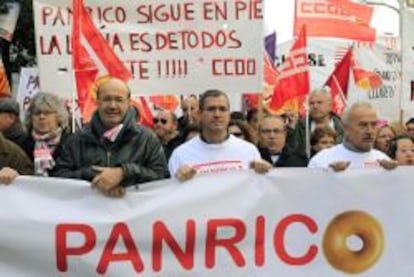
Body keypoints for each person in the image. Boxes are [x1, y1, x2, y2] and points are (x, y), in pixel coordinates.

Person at [51, 78, 167, 197]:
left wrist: (124, 173)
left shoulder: (147, 139)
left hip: (134, 213)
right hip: (90, 213)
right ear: (97, 102)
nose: (112, 105)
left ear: (128, 103)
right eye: (107, 99)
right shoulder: (77, 140)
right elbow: (58, 179)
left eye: (119, 100)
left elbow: (162, 177)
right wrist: (92, 175)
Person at [169, 89, 271, 181]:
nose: (217, 115)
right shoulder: (181, 155)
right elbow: (174, 197)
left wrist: (267, 172)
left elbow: (259, 192)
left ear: (228, 114)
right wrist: (178, 180)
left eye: (222, 109)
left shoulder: (249, 151)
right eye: (211, 109)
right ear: (200, 113)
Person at [308, 102, 397, 171]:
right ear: (346, 128)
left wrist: (391, 175)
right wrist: (328, 175)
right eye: (363, 125)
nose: (369, 131)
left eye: (373, 125)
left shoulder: (384, 160)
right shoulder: (322, 160)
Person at [24, 93, 71, 176]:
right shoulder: (23, 144)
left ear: (58, 116)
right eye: (37, 113)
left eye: (47, 113)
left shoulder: (72, 143)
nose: (42, 117)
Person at [291, 88, 344, 154]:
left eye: (319, 102)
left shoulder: (344, 127)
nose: (315, 106)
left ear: (330, 106)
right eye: (311, 103)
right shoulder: (300, 127)